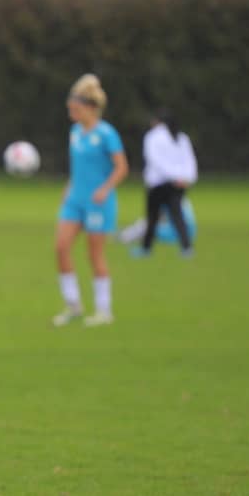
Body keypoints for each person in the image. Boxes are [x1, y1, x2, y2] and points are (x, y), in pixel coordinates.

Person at [53, 74, 129, 327]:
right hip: (75, 200)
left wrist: (105, 189)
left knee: (94, 255)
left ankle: (104, 311)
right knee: (61, 247)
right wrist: (69, 187)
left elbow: (122, 167)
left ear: (91, 108)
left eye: (75, 108)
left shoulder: (107, 134)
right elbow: (79, 168)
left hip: (98, 202)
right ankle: (73, 306)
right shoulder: (75, 132)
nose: (72, 112)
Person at [132, 110, 197, 258]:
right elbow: (189, 160)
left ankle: (146, 249)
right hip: (178, 183)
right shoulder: (181, 137)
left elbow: (155, 160)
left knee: (152, 217)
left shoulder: (153, 137)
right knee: (178, 215)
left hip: (158, 183)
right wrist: (186, 178)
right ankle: (186, 248)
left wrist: (172, 176)